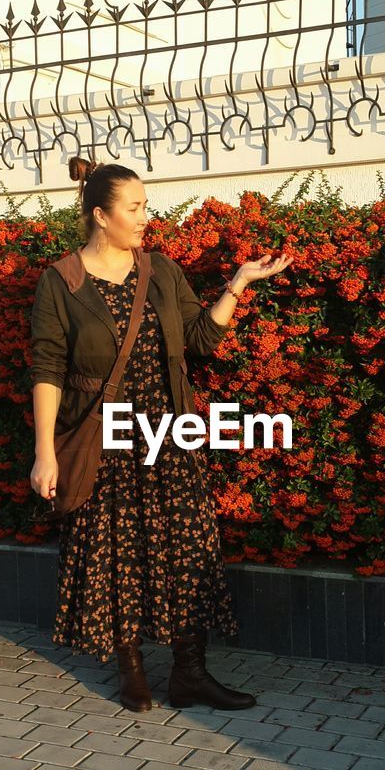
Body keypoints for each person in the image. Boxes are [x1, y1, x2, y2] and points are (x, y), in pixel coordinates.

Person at [28, 156, 291, 713]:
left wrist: (238, 284)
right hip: (105, 438)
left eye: (146, 205)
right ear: (101, 215)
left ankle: (191, 674)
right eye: (135, 207)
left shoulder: (162, 271)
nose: (147, 216)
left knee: (186, 550)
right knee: (119, 552)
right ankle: (132, 671)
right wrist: (44, 454)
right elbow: (47, 369)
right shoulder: (61, 281)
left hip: (169, 433)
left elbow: (199, 339)